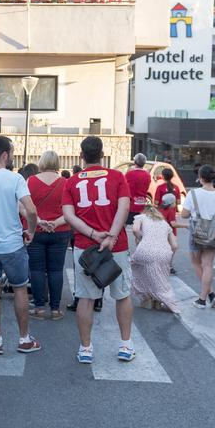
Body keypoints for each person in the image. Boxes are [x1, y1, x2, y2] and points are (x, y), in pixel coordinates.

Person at [61, 136, 135, 364]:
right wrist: (111, 236)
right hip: (117, 245)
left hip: (85, 247)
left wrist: (93, 234)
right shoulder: (117, 177)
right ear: (102, 155)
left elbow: (68, 215)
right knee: (122, 295)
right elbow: (124, 207)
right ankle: (125, 345)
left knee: (85, 298)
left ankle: (86, 348)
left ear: (81, 156)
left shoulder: (71, 182)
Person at [0, 136, 41, 355]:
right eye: (12, 153)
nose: (12, 157)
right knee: (20, 289)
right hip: (12, 244)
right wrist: (31, 230)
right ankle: (24, 339)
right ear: (5, 154)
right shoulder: (15, 179)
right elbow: (31, 210)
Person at [27, 151, 71, 320]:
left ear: (42, 162)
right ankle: (54, 309)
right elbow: (70, 211)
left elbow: (23, 207)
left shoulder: (30, 181)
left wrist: (39, 221)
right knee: (55, 270)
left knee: (36, 270)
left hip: (36, 230)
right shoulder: (65, 183)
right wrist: (56, 223)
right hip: (60, 232)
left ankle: (38, 307)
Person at [178, 165, 215, 308]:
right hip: (213, 234)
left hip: (196, 233)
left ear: (200, 178)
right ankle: (209, 295)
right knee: (208, 265)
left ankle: (203, 298)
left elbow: (184, 214)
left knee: (196, 263)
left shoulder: (193, 194)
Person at [129, 196, 179, 313]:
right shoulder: (165, 223)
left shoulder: (140, 217)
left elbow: (135, 230)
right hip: (164, 253)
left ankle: (147, 297)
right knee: (160, 275)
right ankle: (158, 300)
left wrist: (142, 239)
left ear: (144, 210)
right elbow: (175, 245)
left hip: (145, 250)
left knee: (137, 268)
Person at [125, 153, 152, 224]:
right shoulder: (147, 175)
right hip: (142, 204)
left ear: (135, 162)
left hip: (131, 205)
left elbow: (124, 187)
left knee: (123, 225)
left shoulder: (129, 174)